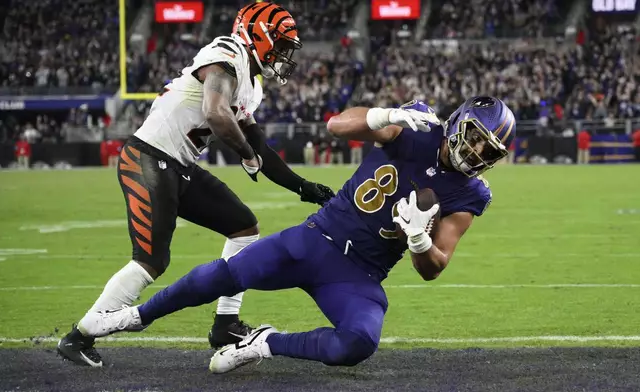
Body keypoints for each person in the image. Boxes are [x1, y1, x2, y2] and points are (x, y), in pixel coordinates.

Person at [77, 97, 516, 372]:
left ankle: (264, 343)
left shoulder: (471, 192)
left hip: (358, 274)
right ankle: (135, 317)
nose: (476, 152)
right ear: (459, 121)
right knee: (225, 276)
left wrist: (420, 241)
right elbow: (336, 125)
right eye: (475, 138)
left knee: (358, 343)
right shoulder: (416, 125)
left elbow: (434, 266)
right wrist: (386, 115)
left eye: (487, 151)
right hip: (315, 237)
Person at [57, 1, 335, 367]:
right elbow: (216, 113)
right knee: (151, 261)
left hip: (179, 164)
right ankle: (79, 337)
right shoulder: (228, 53)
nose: (284, 54)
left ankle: (225, 325)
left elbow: (261, 148)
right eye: (280, 44)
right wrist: (245, 154)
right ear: (258, 35)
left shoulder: (252, 84)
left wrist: (304, 187)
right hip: (147, 158)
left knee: (243, 226)